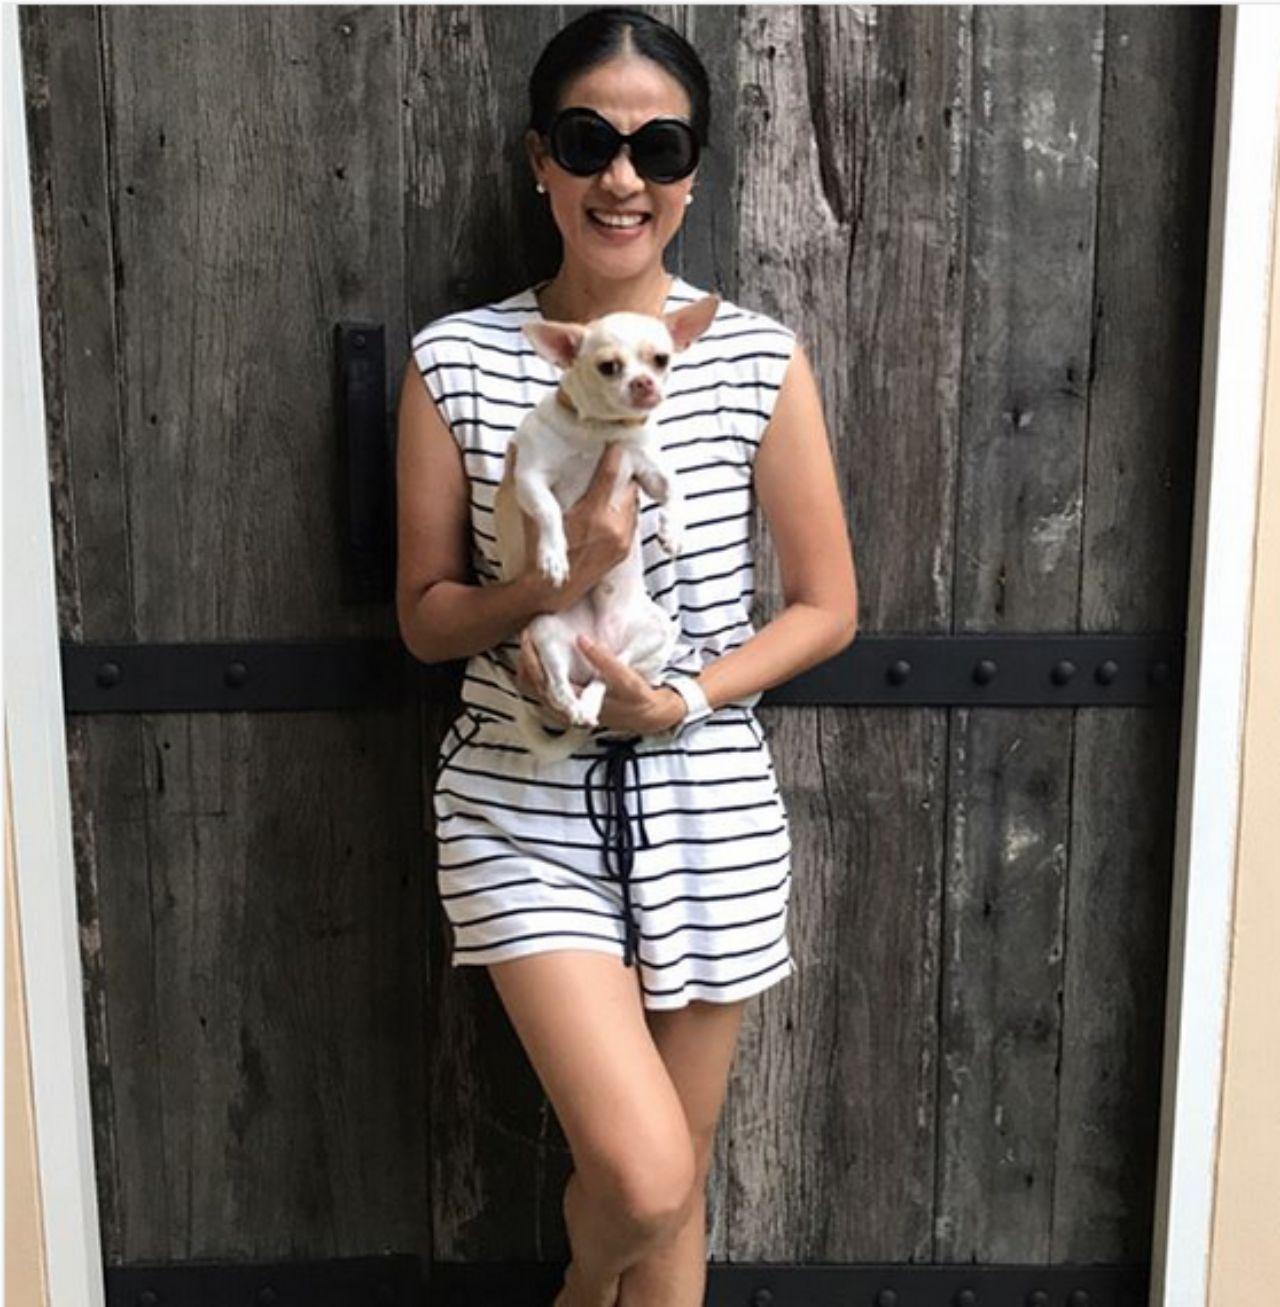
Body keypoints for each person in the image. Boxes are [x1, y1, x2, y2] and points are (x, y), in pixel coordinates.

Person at [395, 8, 857, 1305]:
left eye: (659, 149)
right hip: (519, 806)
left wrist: (686, 696)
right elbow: (426, 618)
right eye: (588, 140)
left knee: (677, 1192)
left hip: (707, 808)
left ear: (692, 173)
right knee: (645, 1182)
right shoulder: (457, 360)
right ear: (539, 159)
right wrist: (561, 575)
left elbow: (827, 607)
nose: (622, 177)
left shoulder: (756, 356)